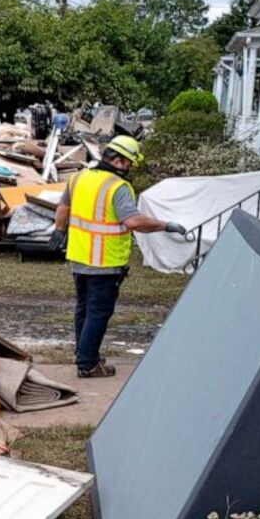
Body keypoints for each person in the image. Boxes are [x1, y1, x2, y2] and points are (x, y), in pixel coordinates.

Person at [50, 135, 185, 378]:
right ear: (120, 161)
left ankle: (84, 353)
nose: (130, 168)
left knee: (83, 309)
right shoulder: (118, 187)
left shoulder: (78, 178)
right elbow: (133, 221)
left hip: (79, 259)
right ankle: (88, 365)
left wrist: (59, 231)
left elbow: (63, 209)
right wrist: (165, 225)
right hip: (105, 262)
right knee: (98, 313)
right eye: (130, 163)